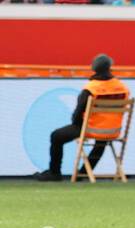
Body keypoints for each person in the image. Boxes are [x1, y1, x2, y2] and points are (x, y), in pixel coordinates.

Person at [35, 53, 129, 181]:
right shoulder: (123, 87)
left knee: (56, 136)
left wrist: (77, 125)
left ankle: (54, 173)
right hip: (113, 131)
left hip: (90, 128)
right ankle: (84, 172)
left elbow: (78, 113)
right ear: (110, 67)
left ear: (94, 68)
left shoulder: (91, 88)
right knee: (101, 142)